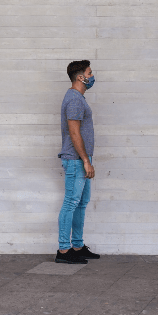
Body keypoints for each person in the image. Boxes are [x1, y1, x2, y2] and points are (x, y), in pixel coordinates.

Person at [55, 60, 102, 264]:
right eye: (90, 73)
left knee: (81, 203)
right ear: (81, 77)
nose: (92, 76)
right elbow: (74, 133)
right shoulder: (74, 99)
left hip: (81, 159)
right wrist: (85, 161)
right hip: (76, 160)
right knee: (71, 203)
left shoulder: (78, 98)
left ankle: (77, 246)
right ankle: (64, 251)